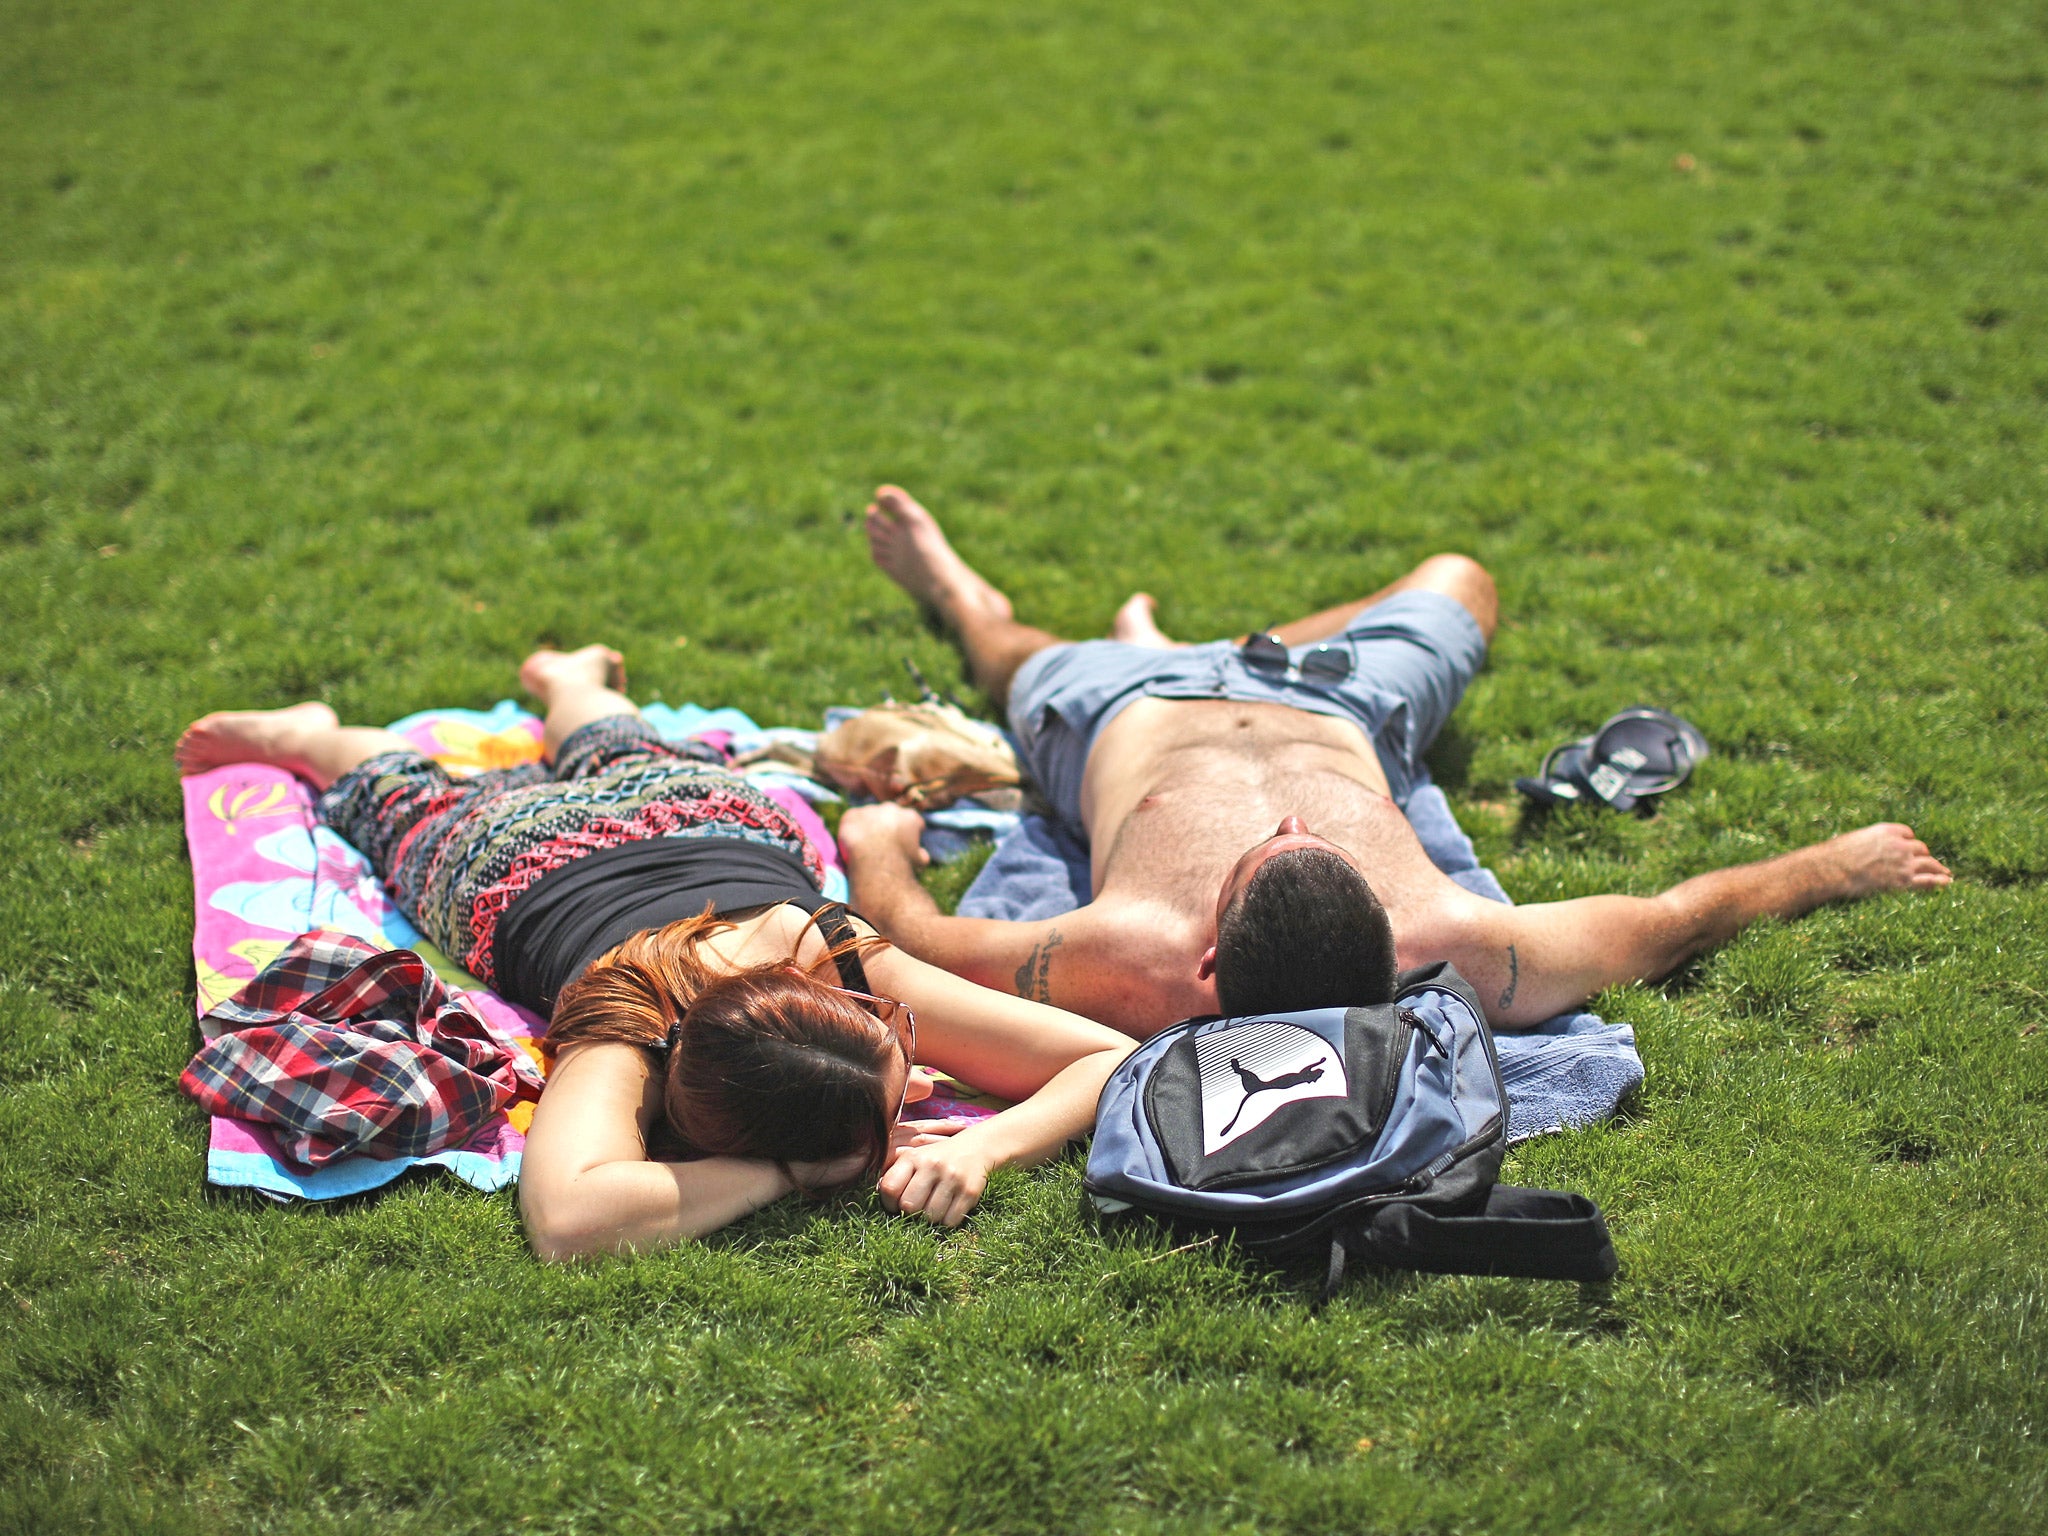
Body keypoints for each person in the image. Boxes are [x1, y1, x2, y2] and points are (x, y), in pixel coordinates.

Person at [836, 487, 1952, 1038]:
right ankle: (1214, 642)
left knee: (1011, 655)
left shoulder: (1128, 959)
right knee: (1461, 574)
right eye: (1302, 845)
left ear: (1207, 956)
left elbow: (917, 945)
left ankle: (964, 597)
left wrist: (871, 846)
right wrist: (1827, 866)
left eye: (1271, 853)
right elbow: (1673, 919)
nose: (1279, 829)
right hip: (1334, 695)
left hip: (1122, 711)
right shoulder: (1469, 945)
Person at [176, 645, 1132, 1258]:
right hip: (522, 862)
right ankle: (323, 736)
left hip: (695, 827)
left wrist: (991, 1145)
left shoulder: (817, 955)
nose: (925, 1077)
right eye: (905, 1066)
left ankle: (572, 688)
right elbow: (571, 1222)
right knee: (399, 791)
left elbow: (1112, 1056)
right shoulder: (647, 1021)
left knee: (615, 751)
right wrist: (801, 1172)